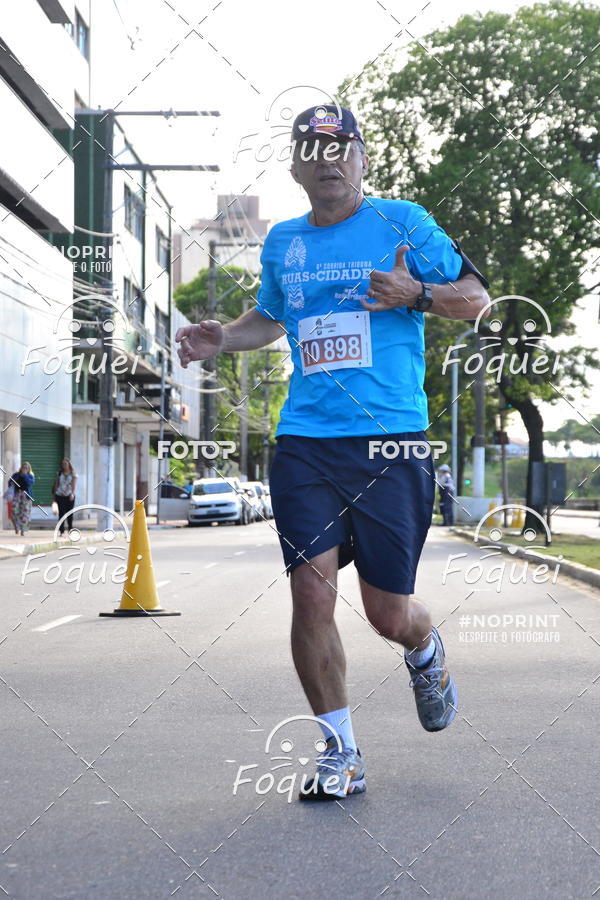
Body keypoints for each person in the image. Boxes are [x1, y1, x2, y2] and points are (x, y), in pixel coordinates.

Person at [176, 105, 490, 801]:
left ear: (362, 157)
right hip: (306, 443)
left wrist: (418, 293)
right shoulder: (284, 241)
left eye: (340, 147)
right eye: (312, 149)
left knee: (388, 613)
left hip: (390, 441)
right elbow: (272, 317)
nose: (327, 159)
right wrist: (221, 337)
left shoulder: (403, 222)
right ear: (295, 165)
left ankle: (424, 648)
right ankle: (339, 754)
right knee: (310, 593)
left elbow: (477, 298)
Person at [52, 458, 78, 535]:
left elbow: (74, 484)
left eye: (65, 464)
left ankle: (70, 529)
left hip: (69, 495)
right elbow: (57, 483)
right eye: (63, 464)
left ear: (69, 464)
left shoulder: (73, 473)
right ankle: (61, 531)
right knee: (61, 514)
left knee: (69, 514)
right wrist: (54, 495)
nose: (64, 465)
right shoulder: (60, 473)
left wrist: (72, 494)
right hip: (59, 495)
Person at [10, 462, 35, 536]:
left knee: (25, 514)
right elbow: (10, 481)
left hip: (26, 496)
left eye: (26, 468)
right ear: (21, 468)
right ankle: (16, 526)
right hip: (17, 494)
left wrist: (25, 475)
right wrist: (11, 482)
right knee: (14, 511)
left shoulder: (30, 476)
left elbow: (29, 484)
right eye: (23, 467)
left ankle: (23, 530)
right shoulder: (16, 475)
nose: (24, 469)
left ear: (29, 469)